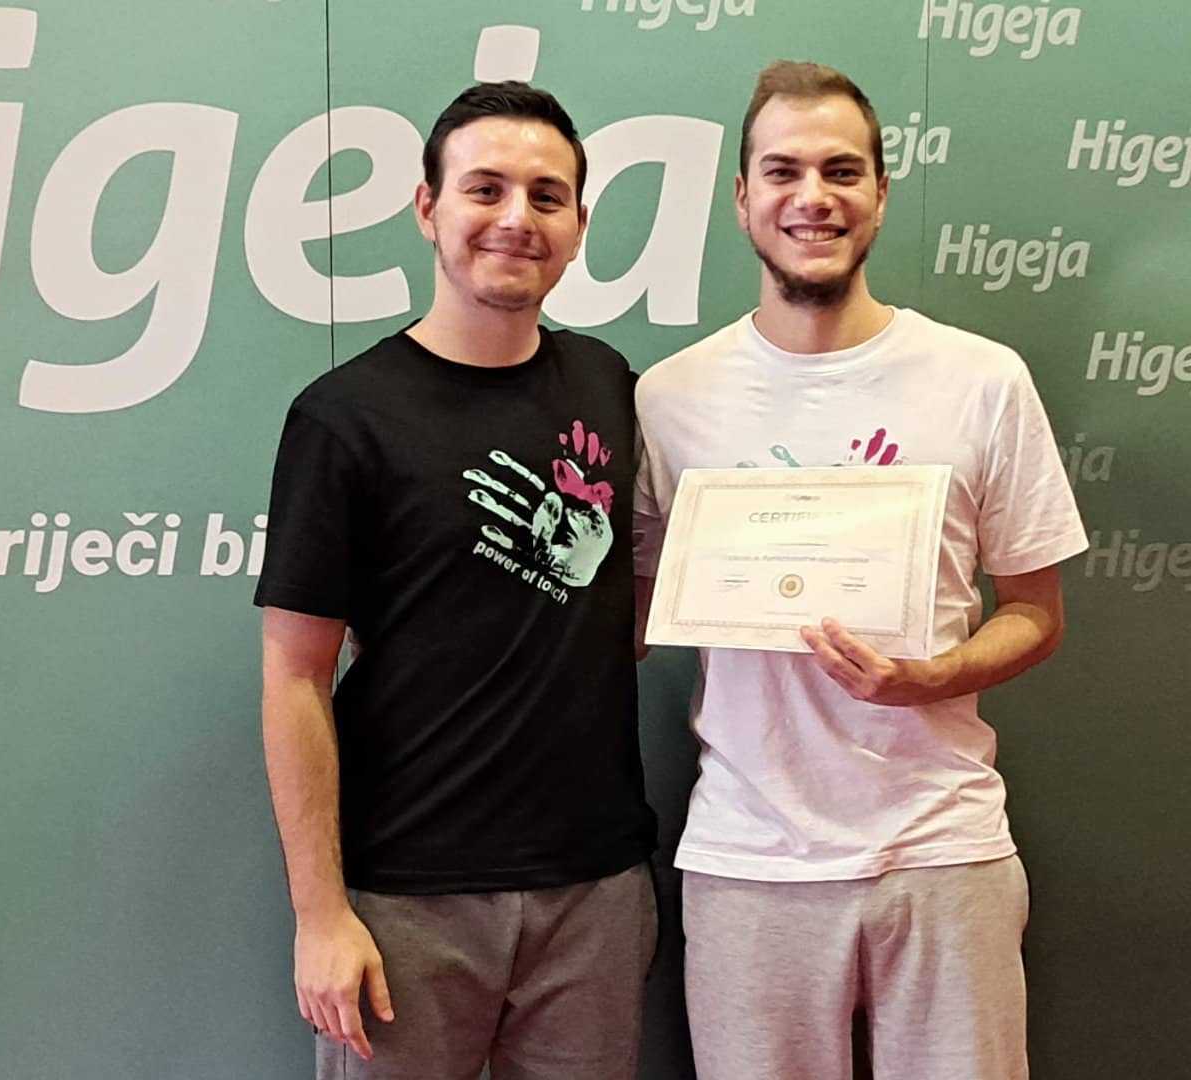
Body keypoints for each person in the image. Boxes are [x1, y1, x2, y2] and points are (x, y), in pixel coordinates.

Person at [633, 61, 1087, 1080]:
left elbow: (1037, 612)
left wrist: (934, 676)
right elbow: (631, 614)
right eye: (783, 170)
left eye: (842, 171)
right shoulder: (668, 398)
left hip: (944, 849)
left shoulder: (982, 379)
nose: (814, 196)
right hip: (749, 859)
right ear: (741, 196)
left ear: (881, 193)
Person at [255, 81, 658, 1080]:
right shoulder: (343, 419)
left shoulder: (609, 384)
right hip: (404, 899)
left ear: (578, 226)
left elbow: (632, 594)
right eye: (486, 189)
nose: (517, 218)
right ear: (428, 208)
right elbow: (295, 677)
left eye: (547, 195)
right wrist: (320, 916)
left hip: (595, 893)